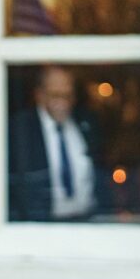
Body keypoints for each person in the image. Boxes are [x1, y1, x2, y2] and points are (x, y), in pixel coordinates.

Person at [8, 65, 102, 221]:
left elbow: (100, 173)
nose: (63, 102)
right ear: (40, 95)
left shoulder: (86, 122)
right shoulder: (20, 130)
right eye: (55, 95)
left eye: (68, 95)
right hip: (41, 227)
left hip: (87, 222)